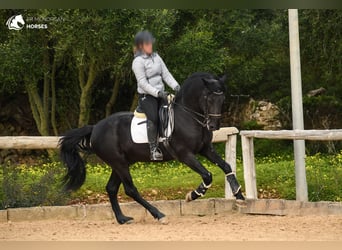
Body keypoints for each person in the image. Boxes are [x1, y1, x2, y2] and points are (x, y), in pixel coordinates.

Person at [132, 30, 180, 161]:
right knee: (154, 118)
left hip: (161, 94)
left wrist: (176, 86)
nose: (150, 45)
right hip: (147, 97)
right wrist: (158, 93)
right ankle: (153, 149)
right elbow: (142, 83)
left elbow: (166, 74)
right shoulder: (138, 62)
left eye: (151, 43)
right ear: (141, 45)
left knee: (173, 112)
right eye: (148, 43)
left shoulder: (156, 57)